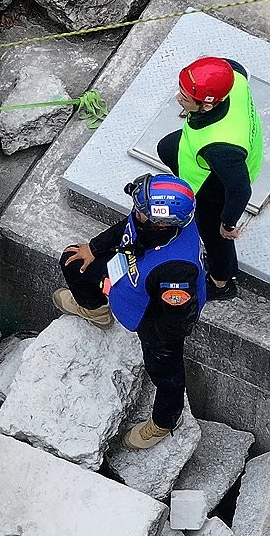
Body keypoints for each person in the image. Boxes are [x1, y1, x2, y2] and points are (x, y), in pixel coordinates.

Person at [54, 173, 206, 450]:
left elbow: (177, 321)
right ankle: (95, 310)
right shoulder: (149, 224)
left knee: (166, 375)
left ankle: (166, 421)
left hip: (153, 316)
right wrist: (94, 248)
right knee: (73, 261)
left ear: (162, 223)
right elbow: (126, 230)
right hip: (130, 276)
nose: (135, 212)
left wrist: (153, 338)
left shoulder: (177, 271)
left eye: (142, 211)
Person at [156, 56, 263, 301]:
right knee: (167, 147)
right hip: (222, 152)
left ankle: (221, 283)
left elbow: (240, 190)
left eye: (184, 98)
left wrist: (228, 223)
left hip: (217, 183)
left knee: (214, 237)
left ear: (207, 106)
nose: (177, 98)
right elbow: (232, 65)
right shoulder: (232, 76)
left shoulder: (220, 148)